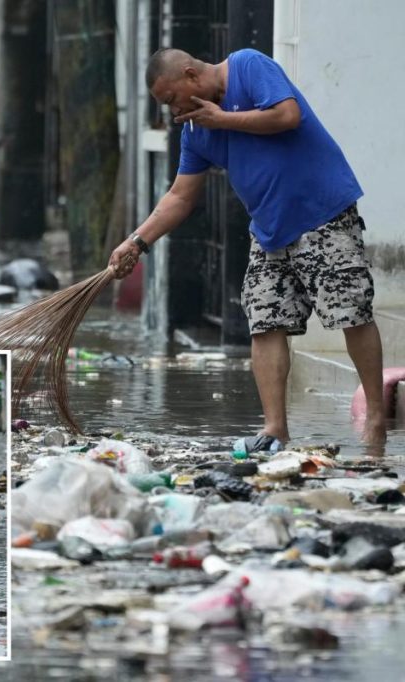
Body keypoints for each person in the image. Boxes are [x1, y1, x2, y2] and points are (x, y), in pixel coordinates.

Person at [110, 47, 386, 451]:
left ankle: (376, 418)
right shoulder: (195, 131)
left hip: (322, 213)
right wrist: (137, 241)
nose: (172, 112)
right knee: (264, 321)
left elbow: (287, 115)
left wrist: (223, 119)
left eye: (171, 99)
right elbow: (181, 197)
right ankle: (274, 430)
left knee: (351, 313)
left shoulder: (248, 66)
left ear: (190, 75)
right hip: (269, 231)